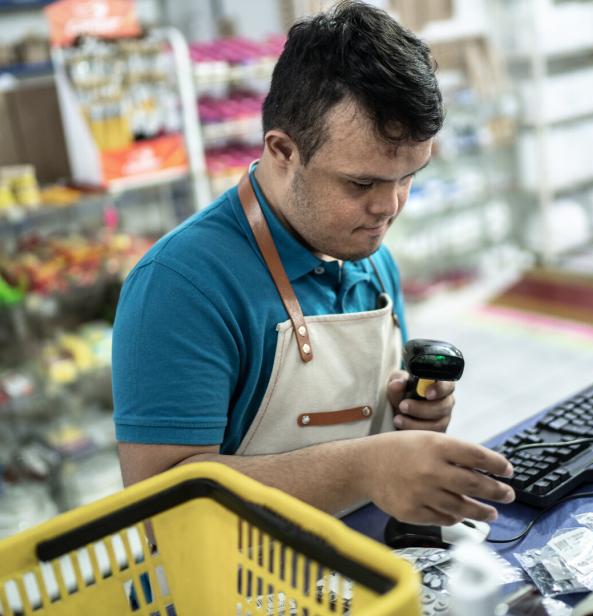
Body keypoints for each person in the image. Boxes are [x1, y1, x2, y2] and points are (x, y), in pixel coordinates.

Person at [112, 0, 515, 526]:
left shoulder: (369, 257)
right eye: (362, 183)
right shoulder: (180, 286)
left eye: (409, 176)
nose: (389, 207)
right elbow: (161, 507)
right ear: (282, 150)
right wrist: (364, 469)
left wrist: (410, 419)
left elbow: (360, 433)